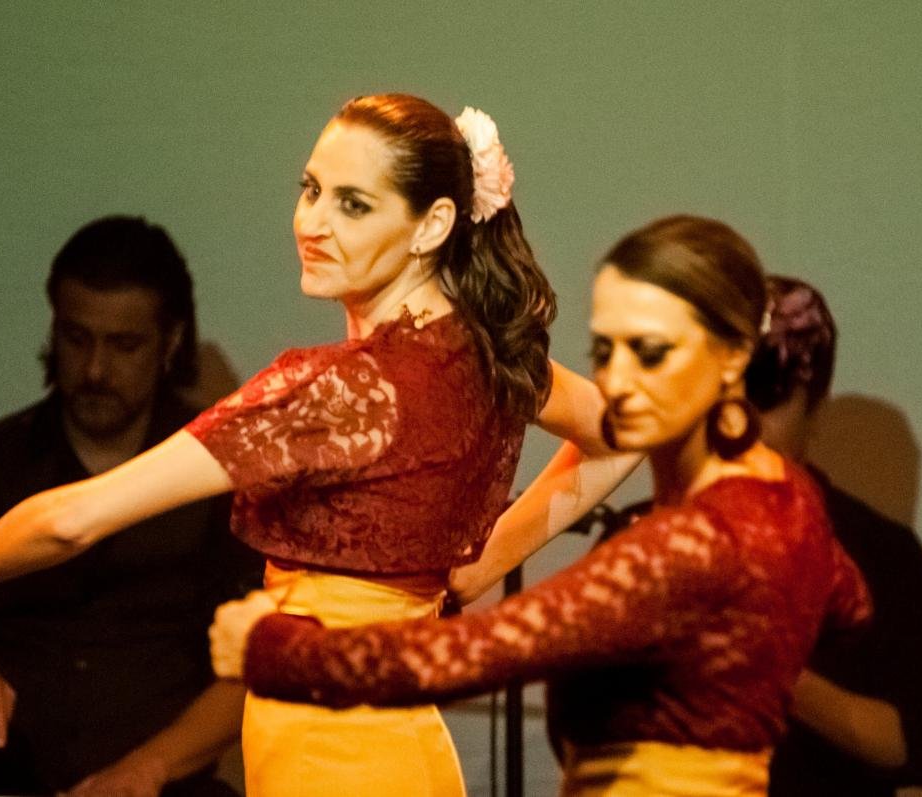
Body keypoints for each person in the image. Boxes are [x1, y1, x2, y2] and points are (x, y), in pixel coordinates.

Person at [0, 94, 633, 796]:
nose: (313, 222)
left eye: (353, 204)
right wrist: (478, 566)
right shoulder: (485, 352)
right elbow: (622, 435)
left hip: (332, 751)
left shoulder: (337, 388)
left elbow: (74, 520)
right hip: (403, 743)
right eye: (311, 190)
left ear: (433, 224)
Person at [208, 215, 873, 796]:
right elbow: (851, 605)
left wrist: (273, 650)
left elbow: (462, 657)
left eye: (650, 353)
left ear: (730, 359)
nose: (617, 381)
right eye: (605, 349)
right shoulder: (789, 503)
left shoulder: (686, 547)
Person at [0, 216, 260, 796]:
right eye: (77, 339)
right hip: (2, 781)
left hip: (164, 785)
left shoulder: (216, 474)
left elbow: (257, 666)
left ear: (170, 342)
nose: (96, 370)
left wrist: (146, 770)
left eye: (124, 345)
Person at [746, 275, 922, 795]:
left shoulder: (882, 553)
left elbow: (916, 747)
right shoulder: (640, 533)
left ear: (816, 410)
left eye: (765, 399)